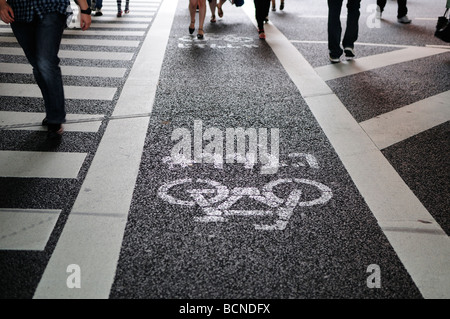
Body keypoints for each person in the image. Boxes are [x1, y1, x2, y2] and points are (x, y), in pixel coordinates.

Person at [0, 0, 91, 139]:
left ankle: (55, 118)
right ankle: (52, 112)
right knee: (38, 65)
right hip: (19, 11)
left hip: (51, 6)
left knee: (46, 62)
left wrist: (84, 9)